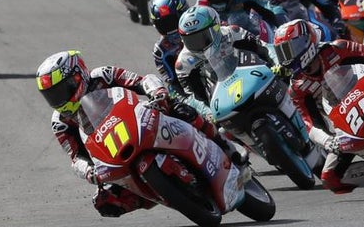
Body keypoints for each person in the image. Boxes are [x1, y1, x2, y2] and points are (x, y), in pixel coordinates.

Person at [35, 50, 236, 218]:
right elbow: (76, 156)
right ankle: (159, 194)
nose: (58, 99)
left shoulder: (102, 75)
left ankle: (225, 145)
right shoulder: (60, 122)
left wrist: (156, 93)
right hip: (111, 156)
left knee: (180, 109)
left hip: (139, 121)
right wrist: (88, 171)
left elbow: (140, 81)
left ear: (78, 76)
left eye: (61, 90)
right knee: (106, 202)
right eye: (51, 95)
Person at [274, 19, 364, 193]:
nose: (288, 57)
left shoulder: (336, 48)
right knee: (330, 180)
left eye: (291, 49)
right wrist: (328, 141)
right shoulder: (297, 87)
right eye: (283, 53)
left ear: (307, 41)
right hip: (347, 125)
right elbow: (308, 123)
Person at [174, 4, 280, 107]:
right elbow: (192, 97)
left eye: (203, 37)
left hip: (253, 79)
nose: (198, 44)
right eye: (191, 40)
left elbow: (265, 48)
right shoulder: (183, 64)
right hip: (222, 103)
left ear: (216, 27)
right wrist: (208, 113)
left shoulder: (233, 32)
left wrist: (277, 63)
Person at [149, 0, 198, 104]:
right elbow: (173, 82)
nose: (170, 29)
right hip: (187, 86)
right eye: (164, 24)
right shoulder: (161, 50)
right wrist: (193, 102)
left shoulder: (200, 25)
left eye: (172, 22)